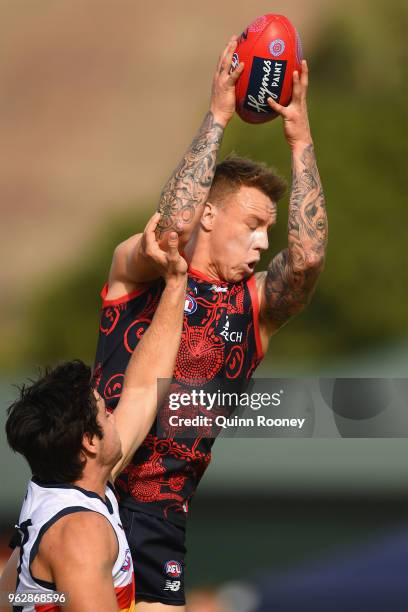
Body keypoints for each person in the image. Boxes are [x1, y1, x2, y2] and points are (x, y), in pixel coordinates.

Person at [93, 34, 328, 609]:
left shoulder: (252, 309)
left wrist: (300, 140)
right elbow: (171, 225)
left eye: (266, 230)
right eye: (251, 223)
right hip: (89, 489)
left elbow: (307, 259)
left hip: (160, 514)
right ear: (210, 214)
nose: (261, 242)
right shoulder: (146, 270)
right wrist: (219, 114)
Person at [1, 218, 187, 612]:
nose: (115, 415)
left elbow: (141, 387)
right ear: (88, 441)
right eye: (105, 411)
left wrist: (175, 284)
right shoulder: (81, 533)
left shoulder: (67, 492)